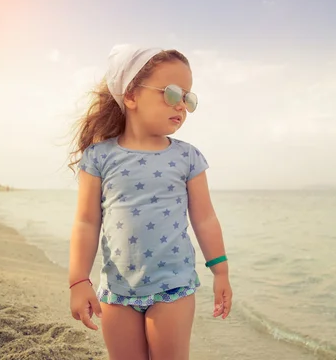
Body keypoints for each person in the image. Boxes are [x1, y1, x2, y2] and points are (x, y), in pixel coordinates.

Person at [67, 44, 232, 360]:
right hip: (116, 290)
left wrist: (220, 272)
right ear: (130, 96)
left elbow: (205, 218)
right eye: (171, 94)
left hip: (174, 287)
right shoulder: (100, 157)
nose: (181, 105)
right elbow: (86, 222)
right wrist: (78, 281)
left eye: (188, 98)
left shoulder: (187, 157)